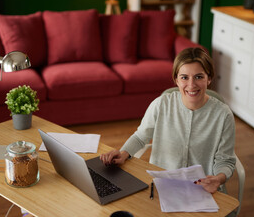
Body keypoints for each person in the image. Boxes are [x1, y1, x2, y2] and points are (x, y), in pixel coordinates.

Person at [100, 47, 236, 194]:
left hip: (202, 190)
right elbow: (140, 137)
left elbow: (225, 160)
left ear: (209, 79)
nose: (191, 85)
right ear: (176, 80)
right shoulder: (161, 104)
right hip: (163, 186)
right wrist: (123, 153)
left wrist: (218, 179)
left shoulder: (224, 115)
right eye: (184, 77)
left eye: (199, 77)